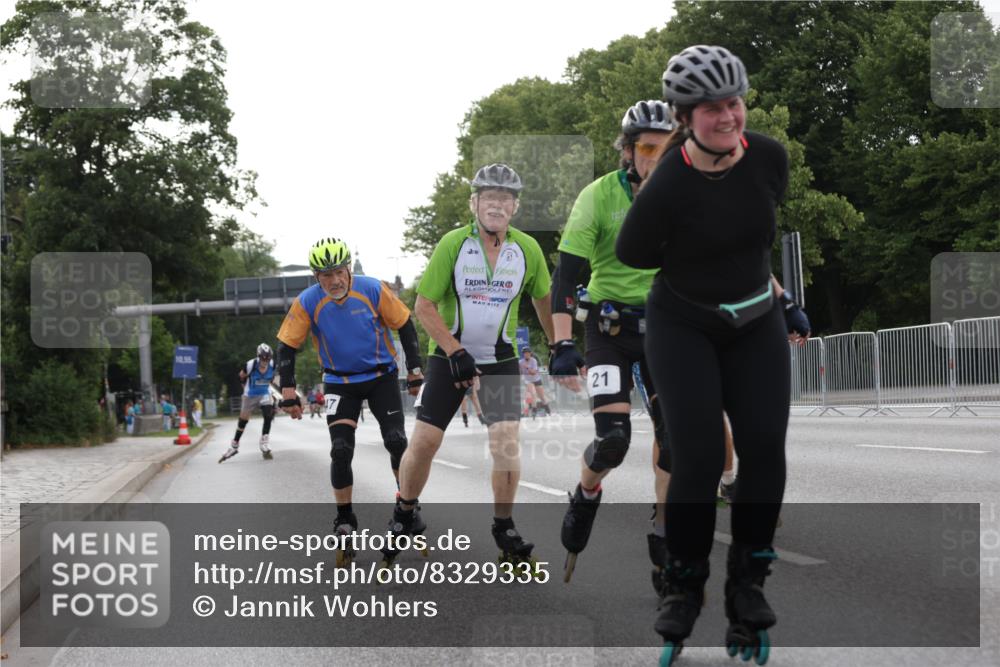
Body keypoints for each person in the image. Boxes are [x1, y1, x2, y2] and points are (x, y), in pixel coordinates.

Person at [616, 45, 811, 665]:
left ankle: (747, 585)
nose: (727, 117)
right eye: (710, 109)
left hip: (755, 321)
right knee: (697, 459)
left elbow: (751, 245)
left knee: (764, 454)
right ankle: (682, 587)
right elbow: (634, 254)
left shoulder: (770, 160)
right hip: (683, 325)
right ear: (683, 116)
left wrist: (785, 301)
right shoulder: (667, 181)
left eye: (734, 103)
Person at [388, 163, 555, 566]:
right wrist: (455, 350)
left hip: (499, 360)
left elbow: (543, 299)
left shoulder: (527, 250)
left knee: (505, 444)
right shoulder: (453, 244)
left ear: (515, 207)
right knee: (425, 442)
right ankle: (405, 511)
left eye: (505, 198)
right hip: (448, 359)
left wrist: (560, 343)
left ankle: (504, 526)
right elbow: (423, 306)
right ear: (474, 203)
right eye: (489, 197)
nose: (497, 204)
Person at [548, 100, 674, 583]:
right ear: (627, 150)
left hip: (666, 327)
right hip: (609, 329)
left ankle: (663, 532)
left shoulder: (685, 195)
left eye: (666, 149)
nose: (656, 159)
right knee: (613, 443)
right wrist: (561, 344)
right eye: (646, 148)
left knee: (675, 440)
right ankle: (585, 493)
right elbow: (567, 277)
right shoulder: (598, 197)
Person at [275, 237, 424, 563]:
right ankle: (344, 519)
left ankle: (407, 508)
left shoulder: (372, 289)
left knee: (397, 441)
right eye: (326, 275)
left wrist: (414, 371)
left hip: (381, 376)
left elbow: (406, 325)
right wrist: (288, 390)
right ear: (317, 277)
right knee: (340, 449)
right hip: (339, 383)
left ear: (348, 270)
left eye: (339, 272)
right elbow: (286, 345)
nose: (335, 281)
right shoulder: (308, 301)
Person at [219, 343, 278, 462]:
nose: (265, 360)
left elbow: (272, 379)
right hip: (250, 395)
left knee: (268, 414)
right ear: (258, 356)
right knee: (243, 422)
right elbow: (241, 376)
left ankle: (264, 441)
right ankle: (234, 446)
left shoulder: (272, 365)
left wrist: (270, 390)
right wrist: (244, 387)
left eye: (267, 358)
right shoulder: (251, 365)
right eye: (263, 358)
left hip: (264, 393)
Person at [518, 348, 550, 418]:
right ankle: (534, 411)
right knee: (533, 394)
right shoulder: (520, 362)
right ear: (523, 354)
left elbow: (533, 373)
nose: (526, 354)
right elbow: (519, 372)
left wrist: (527, 368)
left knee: (542, 397)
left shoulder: (533, 360)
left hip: (536, 379)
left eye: (528, 353)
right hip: (528, 381)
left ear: (530, 353)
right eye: (525, 353)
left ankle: (548, 411)